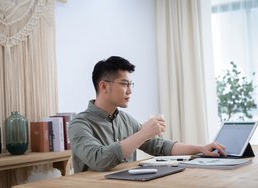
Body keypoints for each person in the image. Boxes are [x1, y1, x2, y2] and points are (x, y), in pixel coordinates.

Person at [69, 56, 226, 173]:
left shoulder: (126, 120)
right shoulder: (79, 124)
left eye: (131, 84)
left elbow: (160, 146)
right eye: (124, 84)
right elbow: (99, 160)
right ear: (104, 86)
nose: (130, 91)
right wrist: (143, 133)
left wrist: (200, 148)